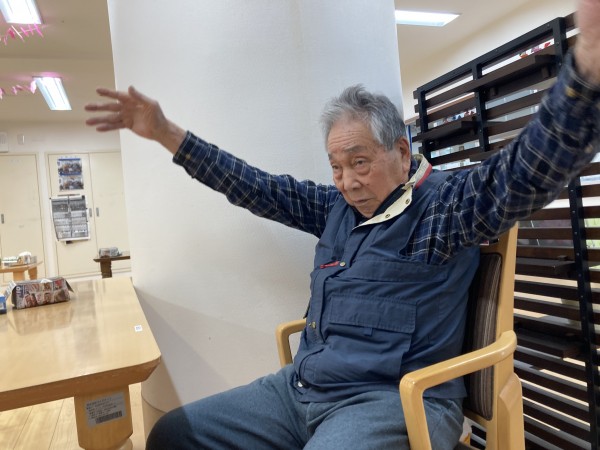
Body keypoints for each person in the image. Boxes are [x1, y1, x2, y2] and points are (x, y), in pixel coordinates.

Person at [86, 2, 600, 448]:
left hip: (392, 400)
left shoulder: (443, 209)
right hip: (302, 390)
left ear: (401, 152)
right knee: (174, 434)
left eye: (360, 162)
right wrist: (167, 133)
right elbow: (255, 187)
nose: (348, 182)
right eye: (336, 167)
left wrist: (583, 77)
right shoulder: (335, 207)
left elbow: (522, 174)